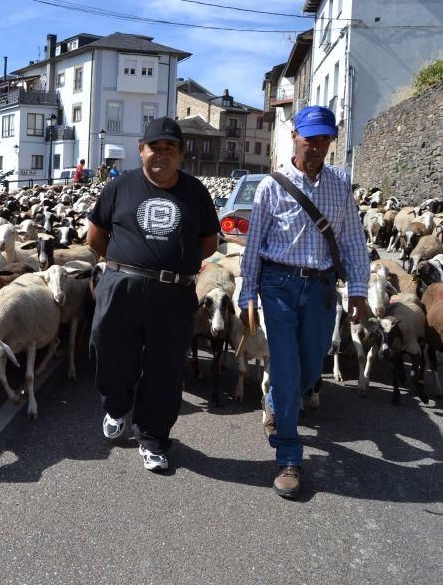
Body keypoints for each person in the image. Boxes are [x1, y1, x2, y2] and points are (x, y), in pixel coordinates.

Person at [238, 105, 369, 500]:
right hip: (278, 285)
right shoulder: (271, 186)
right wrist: (248, 294)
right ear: (294, 136)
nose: (318, 146)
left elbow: (351, 240)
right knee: (288, 365)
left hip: (322, 288)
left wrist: (359, 290)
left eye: (325, 139)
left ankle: (277, 399)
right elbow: (254, 245)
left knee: (312, 366)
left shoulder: (340, 183)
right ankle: (289, 458)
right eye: (311, 138)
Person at [86, 117, 219, 471]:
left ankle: (153, 438)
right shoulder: (118, 187)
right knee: (107, 348)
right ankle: (116, 406)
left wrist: (172, 267)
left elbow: (208, 244)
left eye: (169, 148)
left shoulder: (196, 193)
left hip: (172, 293)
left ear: (181, 154)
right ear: (140, 150)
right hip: (121, 286)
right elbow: (95, 236)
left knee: (165, 368)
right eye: (154, 147)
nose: (161, 154)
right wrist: (123, 265)